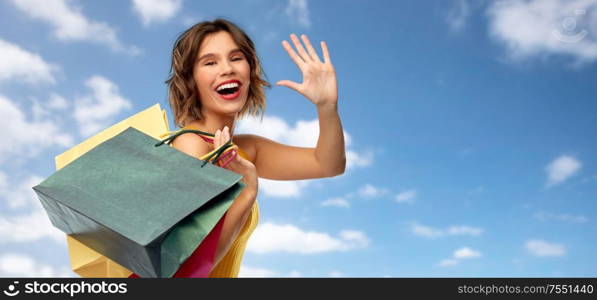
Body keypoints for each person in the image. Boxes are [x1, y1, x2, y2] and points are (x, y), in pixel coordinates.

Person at [165, 18, 346, 278]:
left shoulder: (246, 149)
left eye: (236, 58)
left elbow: (329, 165)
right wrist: (246, 194)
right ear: (190, 79)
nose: (227, 69)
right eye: (210, 62)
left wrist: (326, 107)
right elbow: (184, 270)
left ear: (250, 69)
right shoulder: (190, 146)